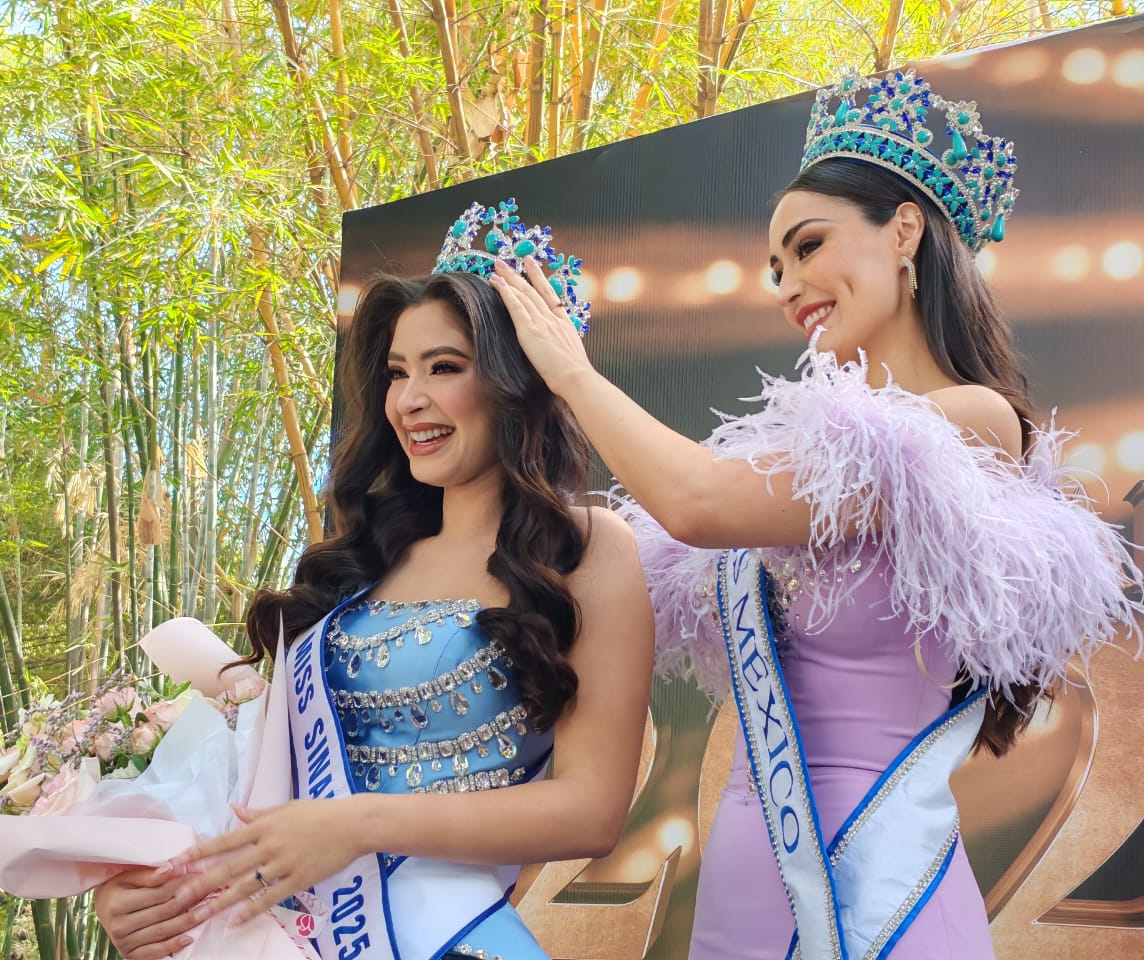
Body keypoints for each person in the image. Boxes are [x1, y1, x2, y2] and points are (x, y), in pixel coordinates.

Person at [487, 69, 1144, 959]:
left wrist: (571, 372)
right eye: (776, 266)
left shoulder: (972, 422)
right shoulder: (800, 458)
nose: (788, 283)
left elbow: (696, 502)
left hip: (881, 883)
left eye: (807, 246)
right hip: (745, 881)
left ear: (904, 230)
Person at [91, 201, 653, 960]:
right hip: (295, 935)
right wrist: (142, 890)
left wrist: (359, 825)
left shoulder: (584, 550)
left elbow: (592, 811)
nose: (408, 400)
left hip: (450, 936)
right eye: (397, 373)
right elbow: (256, 776)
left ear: (517, 380)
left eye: (444, 368)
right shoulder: (363, 560)